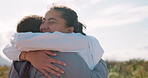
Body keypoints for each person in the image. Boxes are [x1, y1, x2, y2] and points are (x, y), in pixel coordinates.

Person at [3, 6, 108, 78]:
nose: (44, 26)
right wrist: (28, 55)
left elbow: (16, 43)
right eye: (44, 21)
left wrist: (26, 55)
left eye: (51, 22)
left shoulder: (76, 42)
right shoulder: (67, 55)